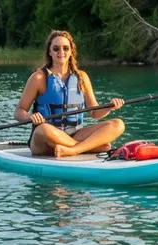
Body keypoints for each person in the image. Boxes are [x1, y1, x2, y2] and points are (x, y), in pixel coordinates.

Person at [15, 29, 125, 157]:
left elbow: (95, 113)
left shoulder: (81, 77)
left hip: (75, 134)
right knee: (43, 128)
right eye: (56, 49)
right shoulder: (38, 78)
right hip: (46, 138)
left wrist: (109, 107)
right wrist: (29, 117)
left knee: (118, 124)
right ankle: (88, 146)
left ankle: (72, 150)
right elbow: (19, 111)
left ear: (71, 51)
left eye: (65, 48)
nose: (61, 52)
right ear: (49, 52)